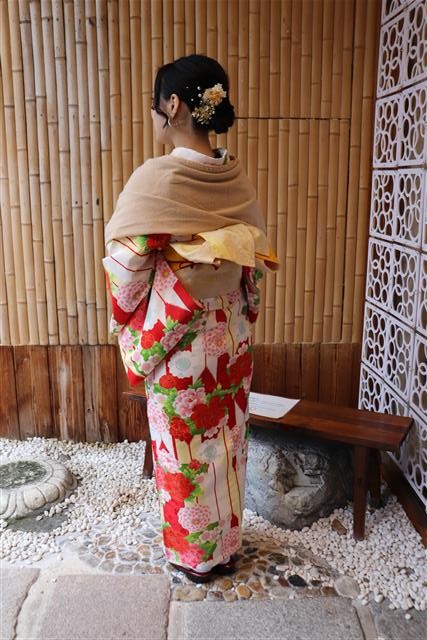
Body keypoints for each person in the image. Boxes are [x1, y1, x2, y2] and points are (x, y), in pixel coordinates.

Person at [103, 54, 278, 583]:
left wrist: (127, 308)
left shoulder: (156, 179)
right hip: (231, 332)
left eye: (155, 104)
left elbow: (128, 263)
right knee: (226, 442)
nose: (153, 114)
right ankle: (225, 548)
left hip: (179, 331)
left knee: (184, 447)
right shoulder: (233, 176)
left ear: (173, 105)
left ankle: (195, 557)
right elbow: (254, 257)